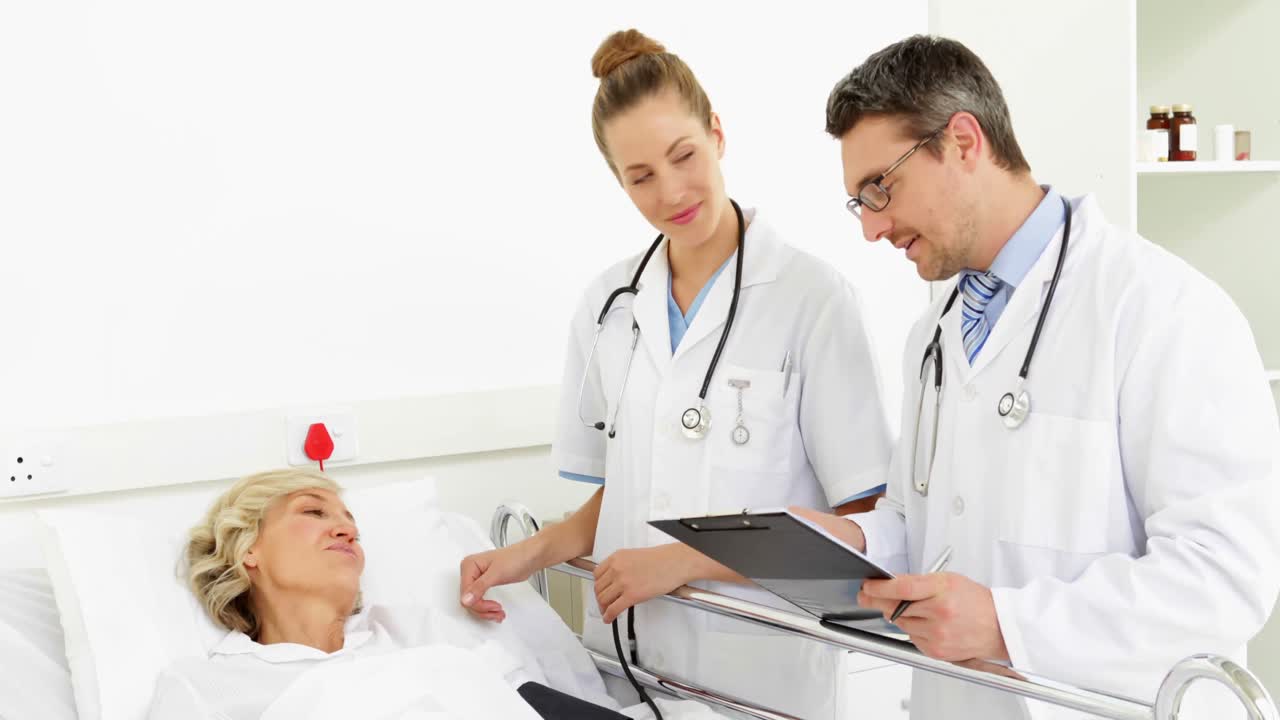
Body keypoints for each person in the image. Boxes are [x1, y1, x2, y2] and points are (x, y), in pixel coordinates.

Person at [792, 34, 1280, 719]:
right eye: (860, 202)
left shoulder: (1163, 309)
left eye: (881, 188)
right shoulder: (932, 337)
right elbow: (927, 521)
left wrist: (1008, 624)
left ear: (963, 142)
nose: (872, 228)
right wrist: (848, 543)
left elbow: (1224, 577)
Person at [459, 29, 894, 719]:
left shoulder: (812, 300)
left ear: (717, 133)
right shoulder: (609, 306)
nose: (670, 192)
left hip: (759, 680)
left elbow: (861, 527)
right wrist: (524, 555)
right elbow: (623, 492)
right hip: (626, 664)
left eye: (684, 155)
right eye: (640, 177)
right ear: (619, 182)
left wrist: (685, 561)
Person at [146, 468, 648, 720]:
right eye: (314, 512)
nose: (346, 530)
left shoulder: (414, 631)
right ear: (247, 549)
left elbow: (526, 706)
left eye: (351, 524)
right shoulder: (204, 687)